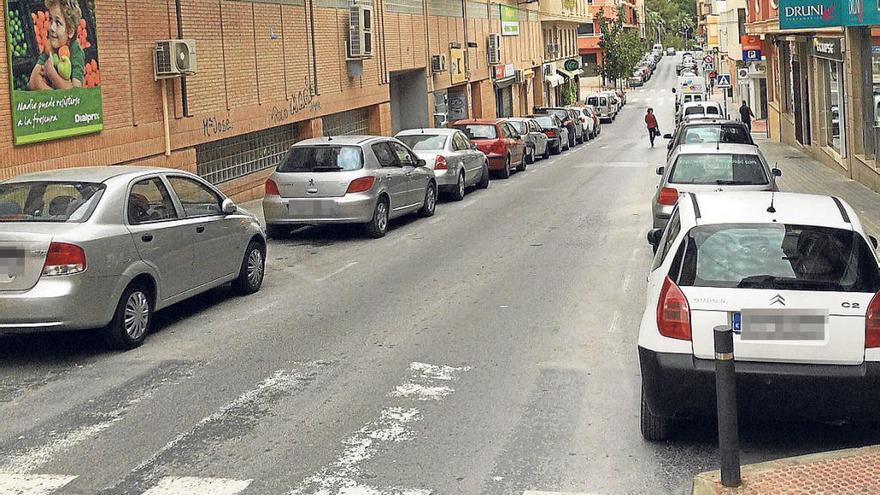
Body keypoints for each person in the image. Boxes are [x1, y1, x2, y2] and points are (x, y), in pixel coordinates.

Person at [28, 0, 85, 91]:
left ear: (70, 31)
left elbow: (76, 93)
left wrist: (51, 73)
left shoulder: (76, 51)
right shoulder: (49, 46)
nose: (51, 27)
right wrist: (59, 94)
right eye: (50, 19)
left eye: (58, 22)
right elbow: (33, 82)